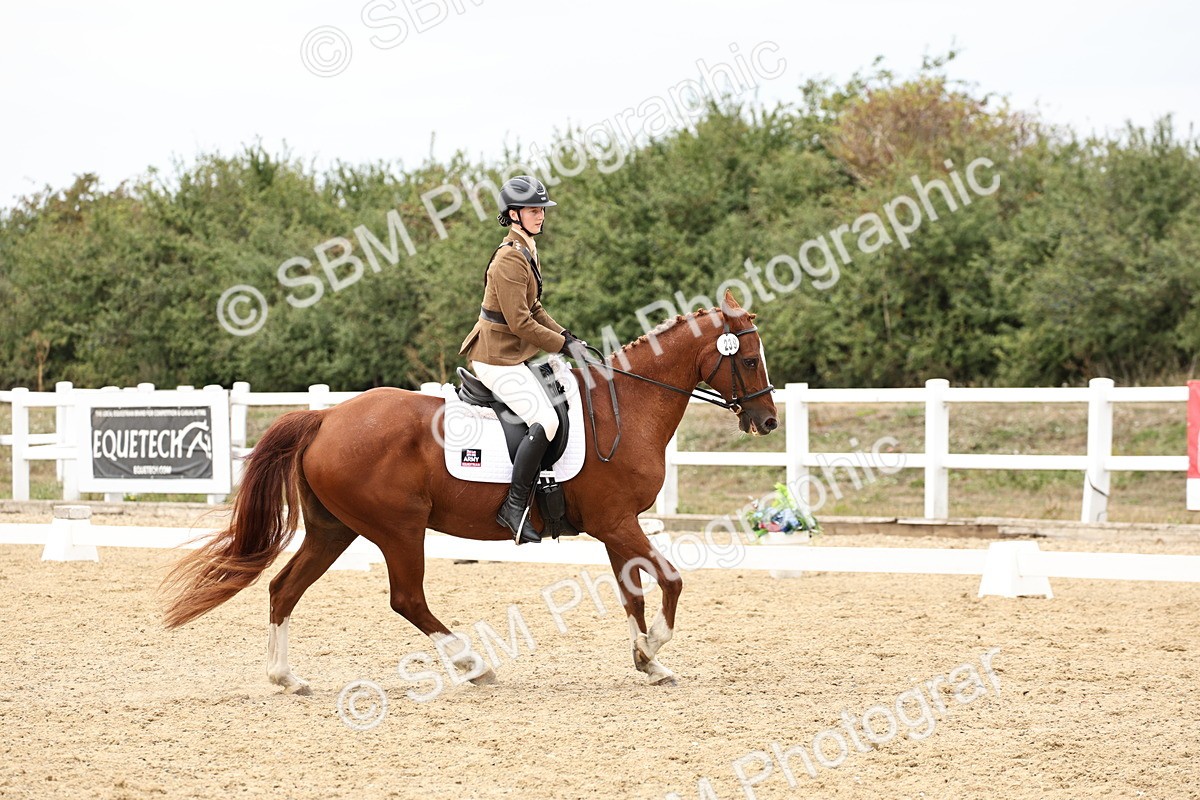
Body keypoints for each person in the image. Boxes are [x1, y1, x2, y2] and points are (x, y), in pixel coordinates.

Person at [458, 175, 588, 545]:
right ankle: (514, 506)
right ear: (513, 214)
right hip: (496, 357)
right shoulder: (508, 260)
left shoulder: (527, 248)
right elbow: (519, 322)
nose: (541, 216)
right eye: (534, 210)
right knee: (545, 419)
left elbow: (536, 308)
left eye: (542, 210)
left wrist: (567, 337)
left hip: (513, 355)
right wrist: (561, 347)